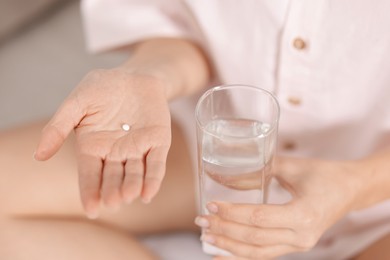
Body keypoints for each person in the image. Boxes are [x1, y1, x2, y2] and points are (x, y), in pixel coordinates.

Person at [1, 1, 390, 259]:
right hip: (213, 145)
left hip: (378, 193)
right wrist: (148, 74)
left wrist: (356, 185)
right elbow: (182, 23)